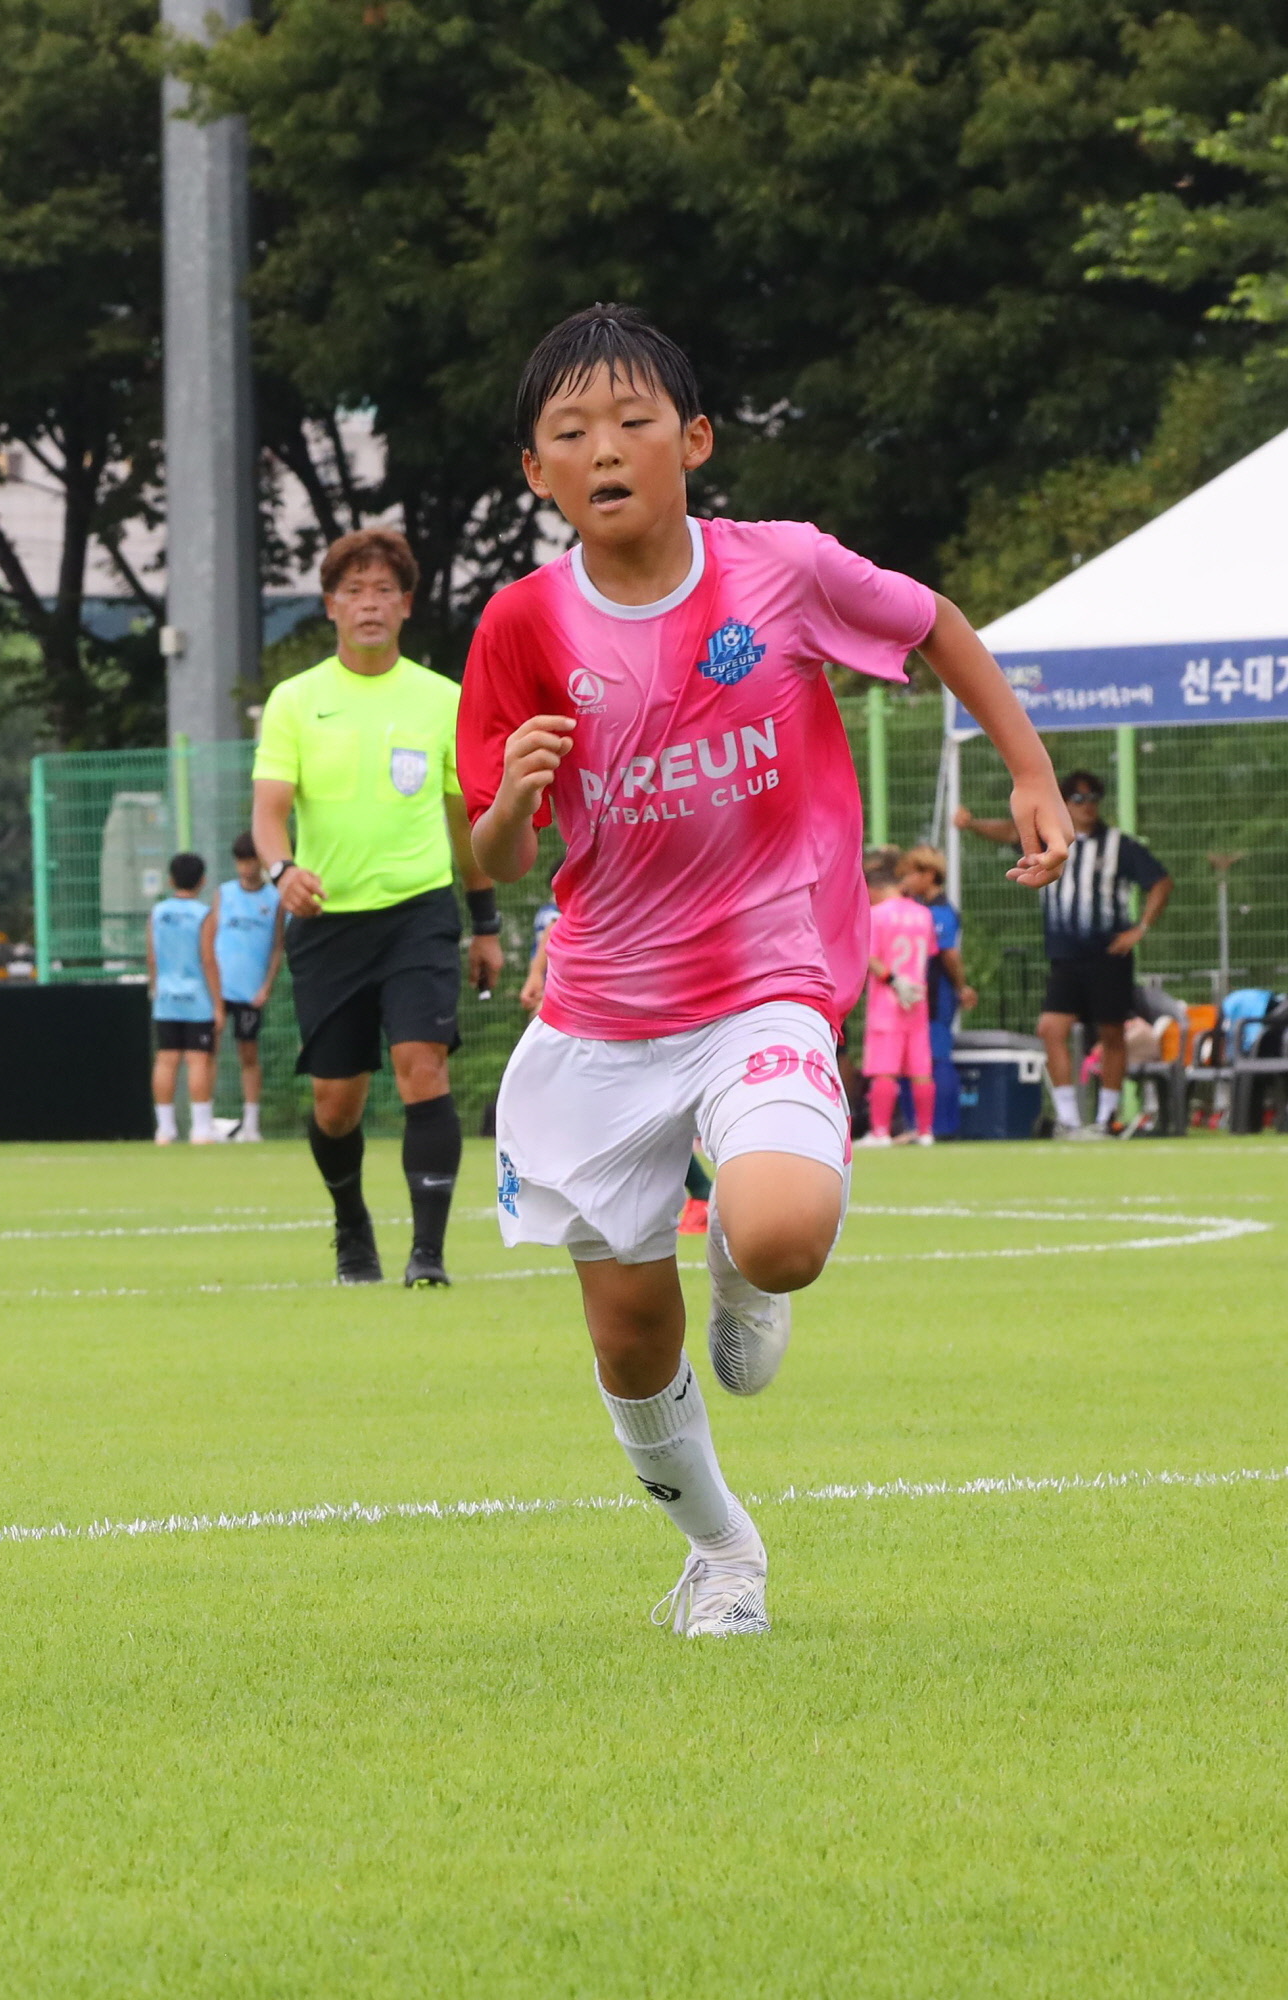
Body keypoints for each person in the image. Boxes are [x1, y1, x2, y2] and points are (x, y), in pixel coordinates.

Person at [460, 305, 1068, 1638]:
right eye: (572, 432)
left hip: (764, 981)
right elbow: (493, 854)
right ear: (536, 471)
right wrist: (506, 805)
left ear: (694, 440)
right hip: (601, 1014)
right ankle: (722, 1554)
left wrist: (1028, 769)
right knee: (629, 1336)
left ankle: (741, 1258)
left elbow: (932, 621)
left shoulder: (779, 570)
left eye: (633, 422)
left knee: (783, 1233)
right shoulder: (520, 623)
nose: (605, 448)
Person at [250, 525, 505, 1286]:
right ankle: (351, 1226)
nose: (369, 604)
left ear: (406, 605)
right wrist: (281, 871)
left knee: (422, 1068)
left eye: (383, 590)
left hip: (418, 914)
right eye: (354, 590)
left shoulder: (442, 699)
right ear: (330, 605)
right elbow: (268, 812)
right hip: (327, 921)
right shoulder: (296, 701)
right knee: (336, 1103)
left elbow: (465, 825)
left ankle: (428, 1256)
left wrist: (485, 924)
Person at [955, 771, 1170, 1138]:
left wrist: (1141, 928)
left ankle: (1107, 1118)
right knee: (1050, 1029)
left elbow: (1160, 881)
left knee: (1112, 1031)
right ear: (1065, 803)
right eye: (1078, 800)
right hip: (1065, 957)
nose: (1087, 807)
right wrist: (971, 824)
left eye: (1093, 799)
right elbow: (1008, 832)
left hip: (1108, 955)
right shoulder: (1048, 840)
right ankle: (1069, 1118)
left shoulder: (1118, 845)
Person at [522, 898, 713, 1234]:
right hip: (593, 1013)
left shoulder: (588, 900)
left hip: (600, 1015)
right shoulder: (578, 905)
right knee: (616, 1111)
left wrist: (538, 979)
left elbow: (555, 931)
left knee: (628, 1111)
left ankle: (699, 1192)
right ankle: (691, 1192)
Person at [197, 831, 285, 1141]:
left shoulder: (274, 898)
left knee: (248, 1055)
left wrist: (266, 987)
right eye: (240, 862)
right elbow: (210, 939)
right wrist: (211, 987)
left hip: (251, 993)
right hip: (219, 990)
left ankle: (251, 1124)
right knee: (208, 1053)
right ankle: (203, 1123)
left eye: (251, 861)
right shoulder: (224, 893)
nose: (246, 868)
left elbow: (277, 947)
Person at [859, 847, 939, 1146]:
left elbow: (870, 957)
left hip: (888, 1000)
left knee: (884, 1069)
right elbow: (930, 953)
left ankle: (880, 1131)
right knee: (921, 1069)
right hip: (917, 999)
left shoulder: (876, 914)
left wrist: (893, 980)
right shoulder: (923, 914)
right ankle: (926, 1131)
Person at [899, 844, 972, 1137]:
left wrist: (961, 987)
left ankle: (941, 1126)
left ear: (930, 875)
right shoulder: (916, 908)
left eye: (910, 874)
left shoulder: (940, 912)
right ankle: (915, 1124)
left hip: (936, 995)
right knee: (912, 1058)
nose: (906, 880)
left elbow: (949, 954)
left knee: (937, 1055)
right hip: (914, 995)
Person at [147, 852, 217, 1143]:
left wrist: (156, 989)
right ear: (202, 881)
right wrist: (218, 1004)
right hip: (197, 998)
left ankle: (165, 1129)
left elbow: (152, 958)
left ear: (170, 880)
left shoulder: (158, 913)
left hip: (166, 998)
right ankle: (200, 1129)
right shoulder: (204, 914)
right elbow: (208, 959)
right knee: (198, 1060)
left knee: (166, 1060)